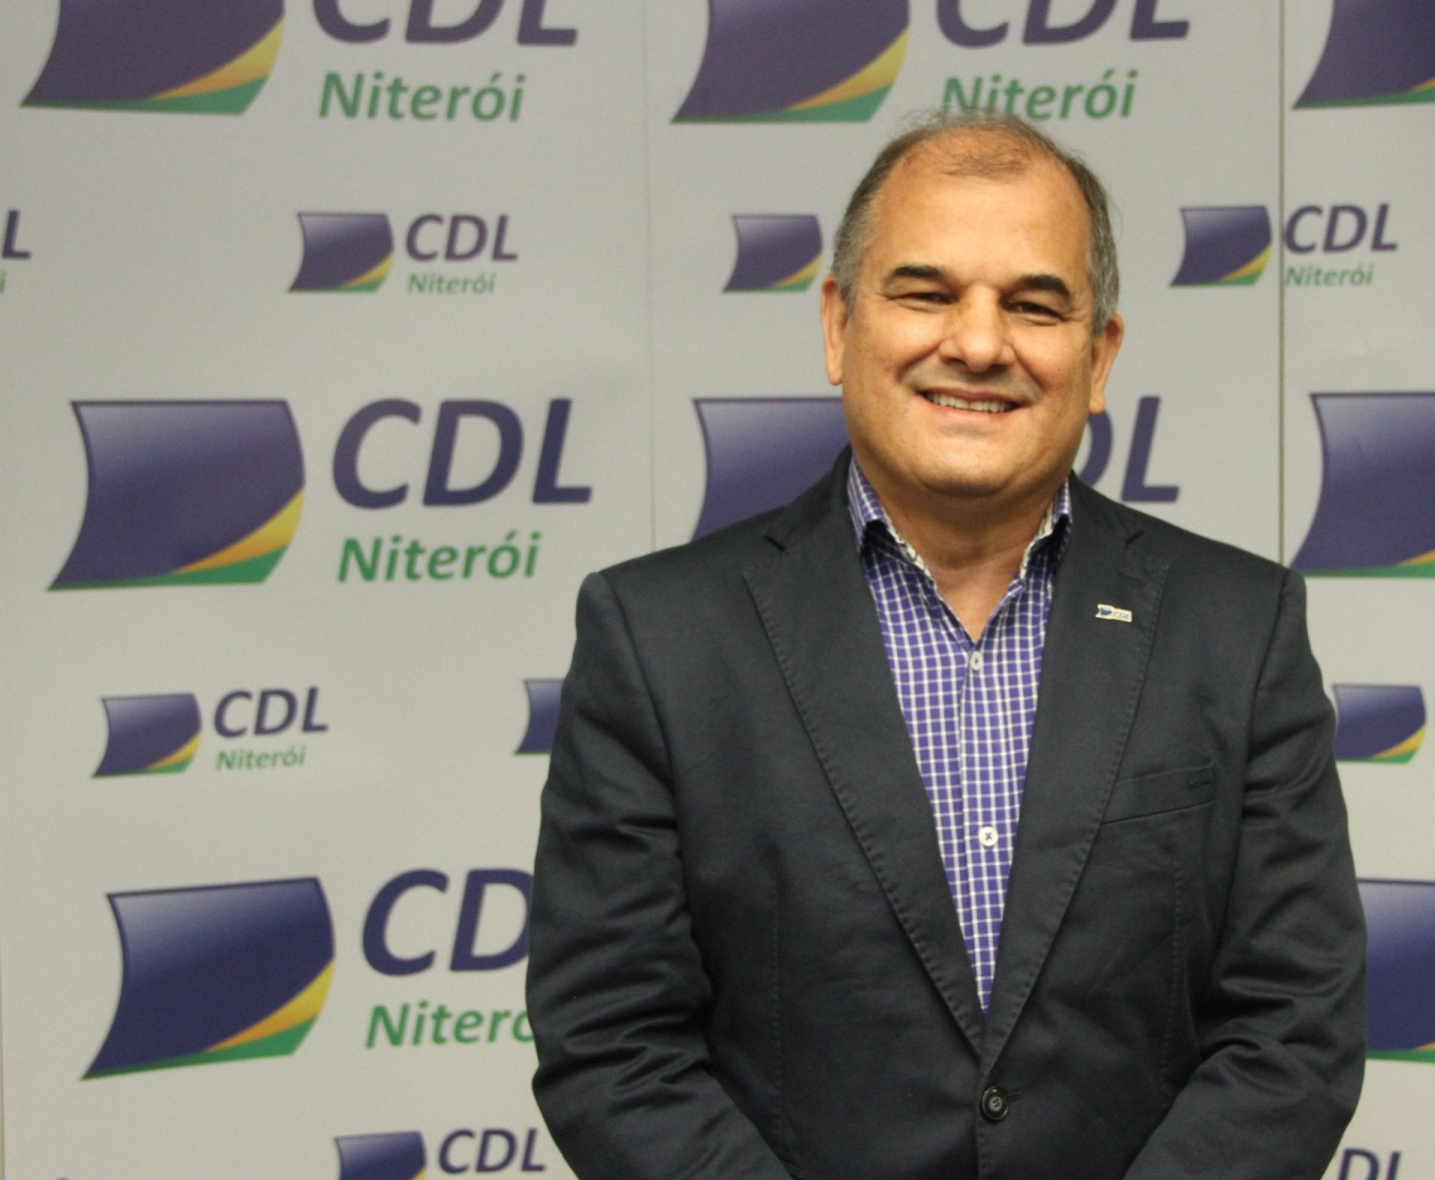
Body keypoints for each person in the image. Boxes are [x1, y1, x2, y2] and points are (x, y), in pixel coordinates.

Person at [527, 110, 1365, 1179]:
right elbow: (613, 1046)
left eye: (1034, 305)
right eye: (926, 294)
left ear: (1099, 356)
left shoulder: (1238, 629)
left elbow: (1294, 1026)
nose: (977, 344)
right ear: (838, 326)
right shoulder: (659, 640)